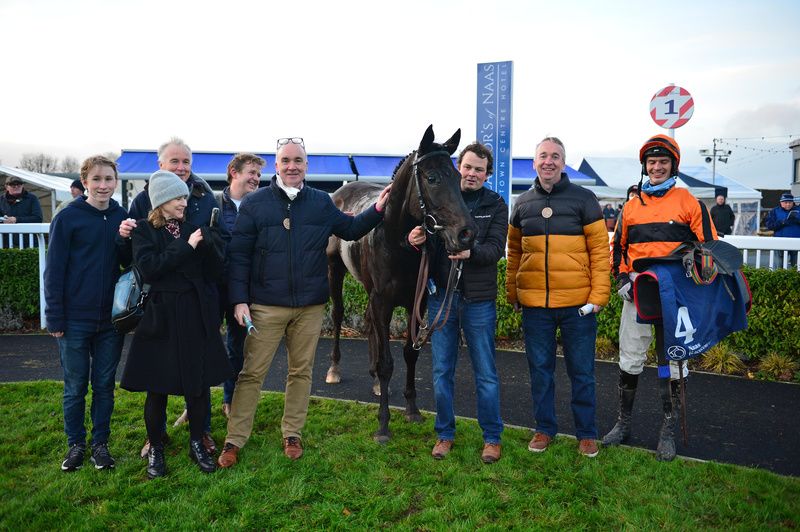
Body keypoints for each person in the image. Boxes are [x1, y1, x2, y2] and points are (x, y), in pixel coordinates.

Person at [217, 137, 391, 467]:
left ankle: (292, 432)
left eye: (298, 160)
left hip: (309, 306)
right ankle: (234, 438)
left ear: (306, 166)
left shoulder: (321, 203)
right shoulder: (256, 204)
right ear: (277, 164)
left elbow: (352, 229)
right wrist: (239, 300)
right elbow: (238, 256)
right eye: (286, 160)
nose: (292, 166)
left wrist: (379, 209)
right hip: (266, 306)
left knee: (300, 373)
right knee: (252, 373)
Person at [605, 134, 717, 461]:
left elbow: (709, 248)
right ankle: (623, 423)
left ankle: (667, 429)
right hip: (637, 293)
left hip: (675, 296)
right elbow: (619, 249)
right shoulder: (631, 205)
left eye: (663, 163)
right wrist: (623, 278)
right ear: (645, 166)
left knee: (673, 363)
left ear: (673, 166)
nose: (657, 167)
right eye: (652, 163)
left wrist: (698, 278)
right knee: (630, 358)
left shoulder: (689, 202)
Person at [120, 170, 232, 479]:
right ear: (163, 201)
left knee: (196, 386)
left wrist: (210, 246)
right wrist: (188, 246)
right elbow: (150, 269)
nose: (185, 202)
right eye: (179, 197)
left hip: (195, 313)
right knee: (157, 387)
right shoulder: (144, 231)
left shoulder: (194, 228)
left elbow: (212, 273)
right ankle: (156, 447)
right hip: (162, 315)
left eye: (185, 196)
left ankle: (197, 442)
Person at [506, 137, 610, 458]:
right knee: (540, 372)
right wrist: (513, 291)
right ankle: (544, 429)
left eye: (555, 156)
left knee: (582, 372)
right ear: (534, 163)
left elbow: (600, 253)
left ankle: (586, 433)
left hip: (578, 307)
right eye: (543, 156)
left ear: (563, 164)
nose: (549, 161)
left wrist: (598, 296)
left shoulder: (585, 199)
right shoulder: (522, 204)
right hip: (536, 307)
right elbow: (514, 253)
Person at [407, 142, 507, 464]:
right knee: (441, 371)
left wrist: (471, 252)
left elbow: (495, 250)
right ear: (457, 168)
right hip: (442, 299)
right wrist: (414, 240)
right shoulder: (440, 200)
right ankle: (445, 434)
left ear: (487, 174)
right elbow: (427, 247)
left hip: (478, 301)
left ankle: (492, 437)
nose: (472, 173)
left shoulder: (496, 204)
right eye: (467, 167)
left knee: (486, 374)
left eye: (479, 169)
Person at [43, 155, 130, 471]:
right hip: (74, 319)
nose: (103, 185)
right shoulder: (68, 218)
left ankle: (100, 445)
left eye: (109, 179)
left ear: (115, 182)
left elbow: (127, 261)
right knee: (76, 386)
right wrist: (54, 316)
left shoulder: (121, 215)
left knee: (105, 385)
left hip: (111, 319)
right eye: (97, 179)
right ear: (86, 182)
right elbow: (54, 271)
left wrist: (125, 239)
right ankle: (76, 445)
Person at [218, 153, 265, 418]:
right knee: (203, 347)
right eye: (251, 172)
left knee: (237, 349)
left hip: (244, 292)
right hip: (213, 288)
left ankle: (230, 400)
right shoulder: (211, 203)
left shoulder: (259, 206)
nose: (256, 179)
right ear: (234, 172)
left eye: (258, 175)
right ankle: (194, 404)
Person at [1, 175, 43, 247]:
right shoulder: (1, 200)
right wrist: (3, 220)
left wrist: (16, 219)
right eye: (12, 185)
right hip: (5, 244)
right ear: (6, 187)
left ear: (22, 185)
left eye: (19, 184)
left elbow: (38, 218)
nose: (16, 186)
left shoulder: (32, 198)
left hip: (29, 243)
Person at [765, 192, 800, 268]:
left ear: (793, 202)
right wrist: (782, 222)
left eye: (790, 202)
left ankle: (796, 280)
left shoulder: (798, 210)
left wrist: (797, 220)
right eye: (785, 202)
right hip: (780, 242)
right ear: (781, 202)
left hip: (796, 242)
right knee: (780, 266)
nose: (788, 204)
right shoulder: (774, 211)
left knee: (797, 267)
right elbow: (769, 226)